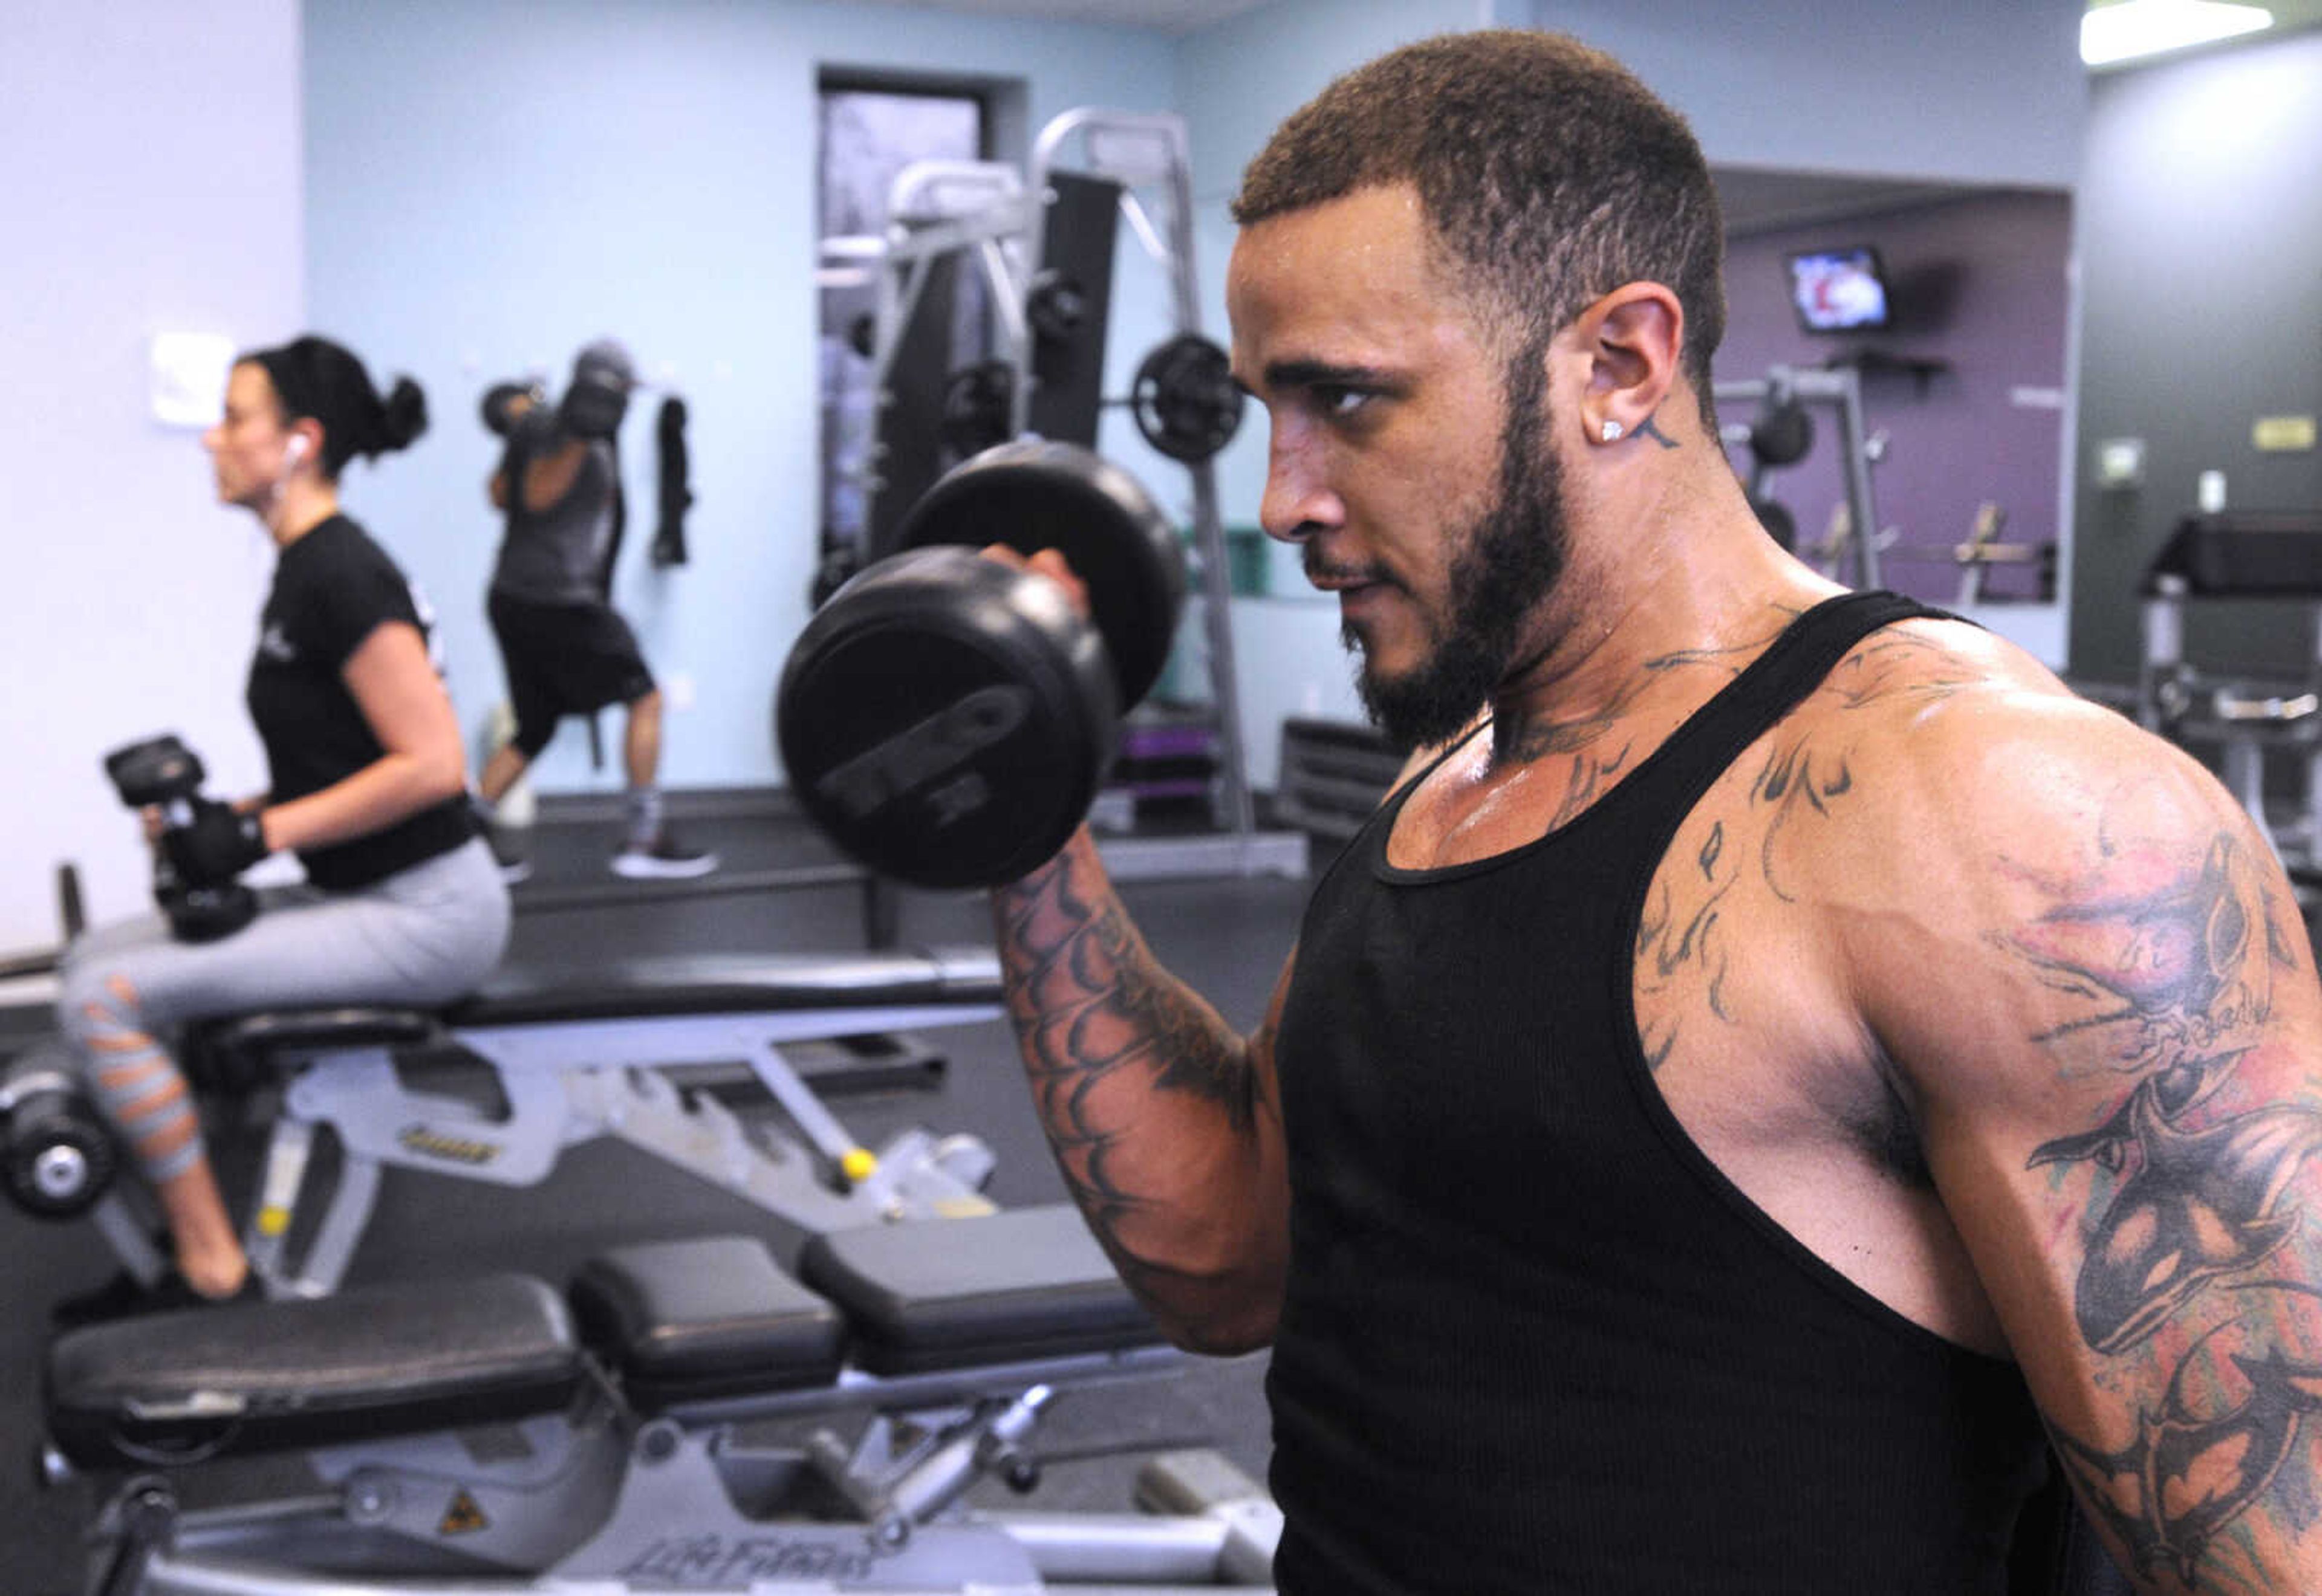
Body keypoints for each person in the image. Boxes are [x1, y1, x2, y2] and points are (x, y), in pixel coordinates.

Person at [985, 31, 2322, 1593]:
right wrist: (1017, 818)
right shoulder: (1455, 778)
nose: (1286, 495)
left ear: (1618, 364)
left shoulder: (1999, 816)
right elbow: (1226, 1258)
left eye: (1348, 402)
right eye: (1271, 407)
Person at [57, 336, 510, 1306]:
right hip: (372, 889)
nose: (211, 441)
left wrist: (258, 838)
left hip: (430, 914)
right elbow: (346, 760)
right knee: (91, 959)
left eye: (233, 418)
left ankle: (213, 1268)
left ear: (299, 441)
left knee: (104, 1002)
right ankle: (179, 1238)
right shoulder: (307, 568)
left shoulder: (340, 573)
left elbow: (435, 767)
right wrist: (229, 818)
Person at [475, 339, 715, 881]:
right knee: (646, 698)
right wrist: (571, 443)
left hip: (512, 597)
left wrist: (534, 440)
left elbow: (497, 496)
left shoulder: (548, 431)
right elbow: (530, 498)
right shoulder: (573, 440)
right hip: (558, 603)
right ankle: (643, 839)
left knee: (534, 726)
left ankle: (461, 846)